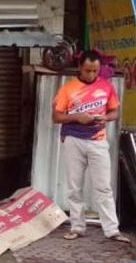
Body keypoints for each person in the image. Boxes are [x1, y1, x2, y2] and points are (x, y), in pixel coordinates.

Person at [52, 50, 131, 244]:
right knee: (74, 187)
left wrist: (104, 117)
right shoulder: (68, 89)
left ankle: (112, 230)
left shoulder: (106, 87)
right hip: (73, 139)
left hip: (98, 140)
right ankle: (77, 227)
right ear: (80, 67)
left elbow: (114, 112)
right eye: (88, 70)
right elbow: (56, 117)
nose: (91, 75)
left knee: (104, 187)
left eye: (95, 71)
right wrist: (77, 117)